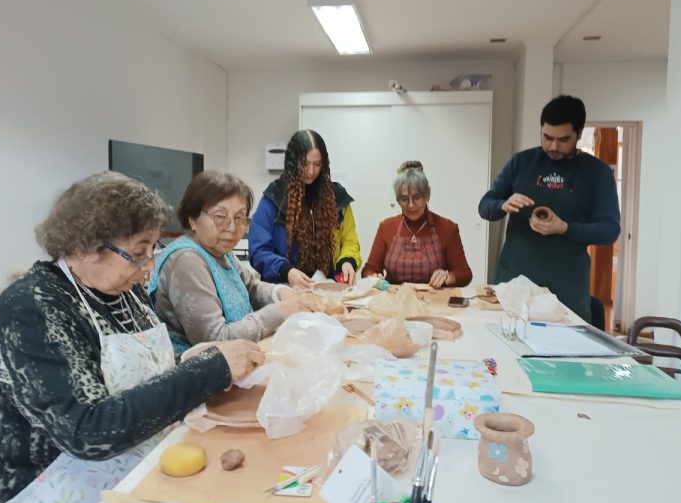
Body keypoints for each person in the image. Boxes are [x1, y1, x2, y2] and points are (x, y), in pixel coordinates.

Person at [0, 172, 264, 503]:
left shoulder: (124, 291)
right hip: (56, 495)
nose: (148, 269)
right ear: (83, 246)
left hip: (139, 470)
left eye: (152, 249)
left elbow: (139, 374)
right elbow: (89, 431)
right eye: (137, 253)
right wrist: (207, 371)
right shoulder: (32, 308)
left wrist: (190, 360)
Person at [478, 95, 620, 322]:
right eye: (547, 137)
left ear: (579, 134)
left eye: (563, 139)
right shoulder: (522, 162)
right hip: (515, 286)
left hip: (566, 291)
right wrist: (502, 205)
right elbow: (485, 207)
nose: (553, 146)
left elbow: (610, 230)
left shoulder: (597, 173)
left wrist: (565, 228)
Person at [150, 171, 307, 355]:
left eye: (240, 217)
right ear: (193, 220)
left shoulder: (219, 251)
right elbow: (215, 339)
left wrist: (280, 292)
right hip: (196, 371)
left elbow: (250, 287)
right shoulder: (187, 260)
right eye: (220, 217)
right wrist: (278, 313)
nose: (232, 228)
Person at [248, 129, 361, 288]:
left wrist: (347, 261)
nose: (311, 171)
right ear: (293, 162)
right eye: (304, 164)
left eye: (317, 164)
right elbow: (258, 250)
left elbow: (350, 240)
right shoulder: (274, 198)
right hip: (286, 289)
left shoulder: (338, 197)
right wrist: (286, 271)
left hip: (327, 289)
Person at [362, 161, 473, 288]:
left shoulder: (447, 228)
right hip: (395, 301)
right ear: (397, 200)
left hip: (434, 302)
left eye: (417, 197)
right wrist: (374, 278)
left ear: (427, 194)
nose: (411, 205)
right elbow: (369, 269)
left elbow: (464, 274)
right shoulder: (386, 227)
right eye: (404, 199)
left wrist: (449, 277)